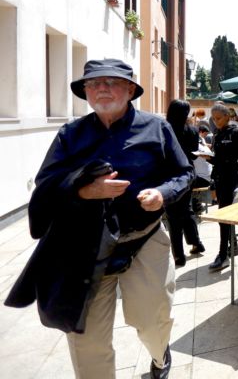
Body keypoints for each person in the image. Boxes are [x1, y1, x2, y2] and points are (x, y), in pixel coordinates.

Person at [5, 59, 193, 379]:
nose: (102, 88)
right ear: (86, 93)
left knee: (151, 319)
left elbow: (183, 173)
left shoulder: (157, 128)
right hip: (84, 246)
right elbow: (45, 187)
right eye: (94, 83)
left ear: (130, 90)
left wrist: (162, 193)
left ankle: (160, 353)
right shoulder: (70, 135)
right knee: (86, 340)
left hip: (144, 239)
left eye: (112, 82)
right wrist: (83, 191)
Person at [208, 103, 238, 271]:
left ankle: (223, 255)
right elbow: (217, 158)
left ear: (227, 117)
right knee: (224, 215)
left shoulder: (235, 132)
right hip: (219, 178)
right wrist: (206, 157)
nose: (216, 121)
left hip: (232, 178)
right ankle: (233, 246)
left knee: (223, 217)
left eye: (218, 118)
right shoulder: (216, 134)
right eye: (213, 118)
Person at [165, 99, 206, 267]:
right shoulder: (192, 130)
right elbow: (195, 155)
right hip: (188, 174)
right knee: (186, 209)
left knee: (173, 216)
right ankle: (196, 243)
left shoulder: (164, 129)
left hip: (169, 175)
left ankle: (178, 255)